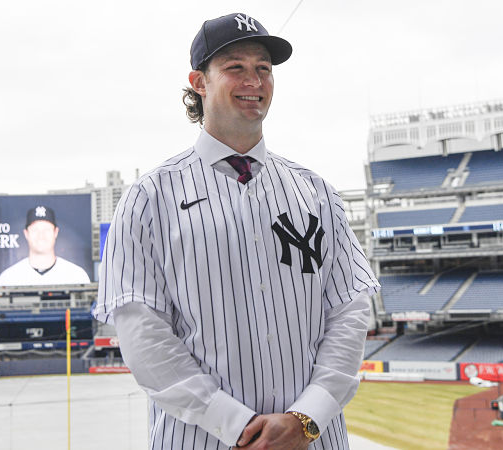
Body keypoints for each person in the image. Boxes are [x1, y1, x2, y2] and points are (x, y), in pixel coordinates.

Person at [93, 12, 379, 450]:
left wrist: (305, 418)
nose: (255, 80)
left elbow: (350, 311)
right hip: (201, 440)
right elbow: (143, 335)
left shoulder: (317, 192)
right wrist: (238, 426)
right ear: (199, 81)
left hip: (312, 440)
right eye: (236, 67)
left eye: (263, 68)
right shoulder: (149, 197)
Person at [0, 206, 90, 286]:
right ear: (26, 233)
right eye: (35, 230)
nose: (41, 235)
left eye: (46, 229)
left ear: (55, 232)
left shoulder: (76, 275)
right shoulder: (8, 278)